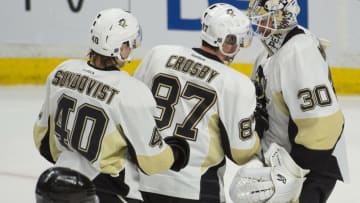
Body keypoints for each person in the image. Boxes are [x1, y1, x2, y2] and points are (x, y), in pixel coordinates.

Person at [33, 8, 190, 203]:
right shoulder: (132, 91)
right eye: (129, 44)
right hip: (110, 192)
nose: (131, 49)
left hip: (59, 185)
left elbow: (41, 140)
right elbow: (152, 162)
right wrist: (176, 152)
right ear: (120, 47)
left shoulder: (61, 72)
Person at [133, 3, 260, 203]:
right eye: (236, 41)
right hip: (196, 188)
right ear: (226, 41)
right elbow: (241, 152)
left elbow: (131, 108)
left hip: (143, 180)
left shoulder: (158, 54)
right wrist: (258, 130)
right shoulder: (236, 83)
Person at [244, 0, 347, 202]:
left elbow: (322, 125)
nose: (259, 25)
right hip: (280, 168)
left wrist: (293, 172)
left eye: (264, 19)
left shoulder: (299, 51)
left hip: (305, 172)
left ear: (281, 18)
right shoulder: (267, 55)